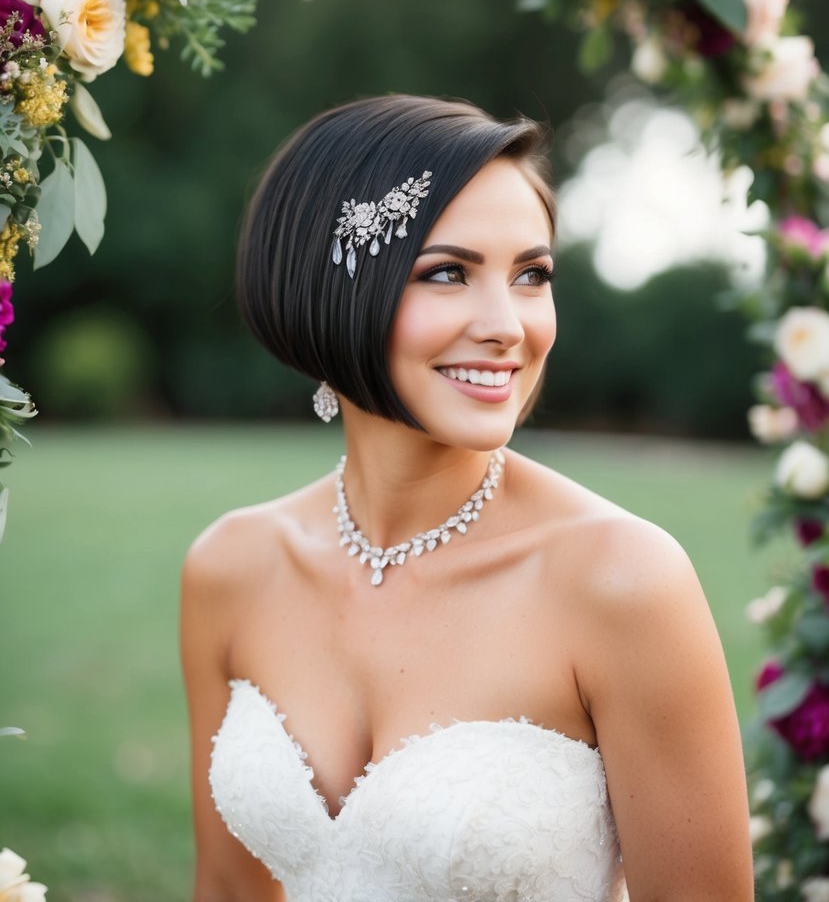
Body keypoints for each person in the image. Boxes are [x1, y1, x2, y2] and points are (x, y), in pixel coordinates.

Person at [180, 93, 754, 902]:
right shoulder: (229, 568)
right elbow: (230, 890)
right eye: (447, 273)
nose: (506, 326)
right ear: (327, 288)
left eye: (531, 276)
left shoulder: (623, 580)